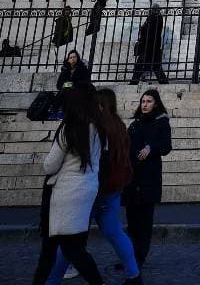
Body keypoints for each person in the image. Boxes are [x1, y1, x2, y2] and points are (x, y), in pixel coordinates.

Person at [46, 88, 141, 285]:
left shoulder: (97, 126)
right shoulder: (119, 125)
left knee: (71, 240)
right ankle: (134, 275)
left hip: (94, 189)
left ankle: (53, 280)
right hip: (114, 188)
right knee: (114, 231)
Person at [30, 84, 104, 285]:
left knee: (54, 250)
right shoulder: (96, 126)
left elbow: (50, 166)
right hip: (86, 189)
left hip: (63, 195)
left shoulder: (69, 128)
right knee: (74, 248)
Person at [124, 89, 171, 272]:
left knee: (144, 223)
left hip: (148, 178)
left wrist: (152, 148)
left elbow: (167, 147)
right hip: (132, 178)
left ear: (156, 103)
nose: (144, 104)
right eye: (143, 101)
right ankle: (130, 258)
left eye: (149, 101)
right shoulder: (135, 123)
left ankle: (139, 258)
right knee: (132, 222)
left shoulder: (161, 123)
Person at [130, 6, 167, 84]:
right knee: (155, 67)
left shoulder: (155, 18)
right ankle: (164, 82)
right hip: (151, 48)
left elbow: (148, 32)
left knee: (141, 66)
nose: (150, 11)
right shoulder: (155, 18)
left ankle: (133, 83)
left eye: (152, 9)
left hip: (149, 48)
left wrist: (143, 28)